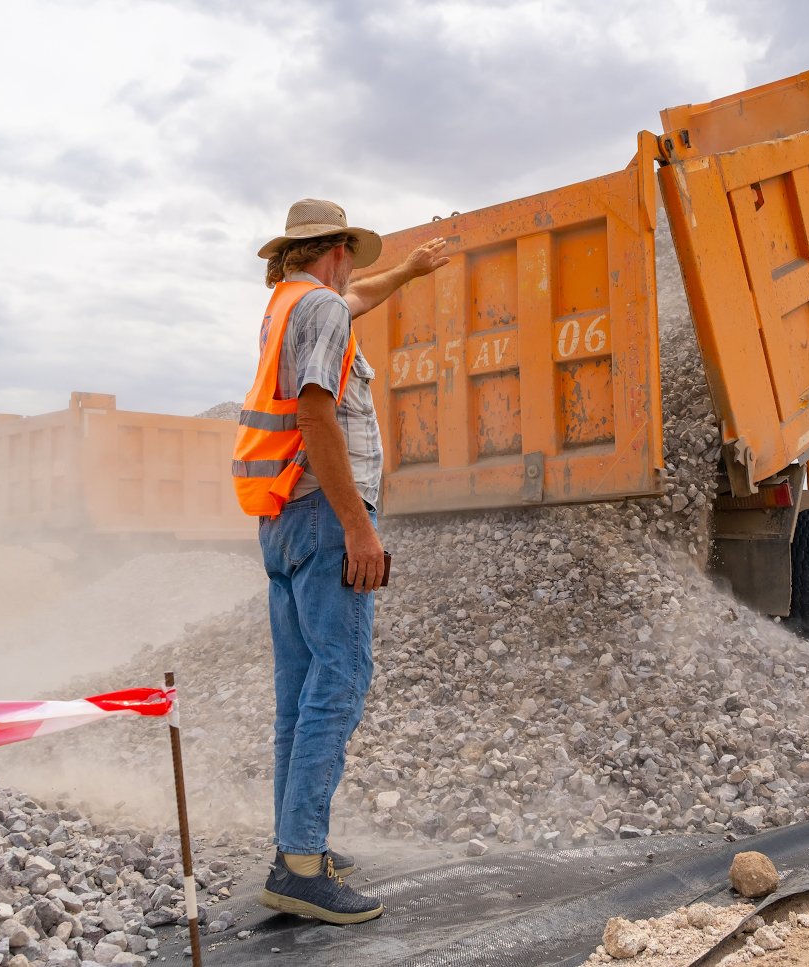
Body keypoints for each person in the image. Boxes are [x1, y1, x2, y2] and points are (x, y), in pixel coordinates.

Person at [231, 198, 448, 924]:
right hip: (327, 514)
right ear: (338, 248)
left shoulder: (291, 304)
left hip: (283, 514)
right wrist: (360, 529)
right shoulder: (319, 307)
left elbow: (356, 298)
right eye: (352, 254)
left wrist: (408, 273)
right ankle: (299, 863)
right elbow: (317, 413)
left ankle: (296, 847)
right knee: (342, 677)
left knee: (299, 691)